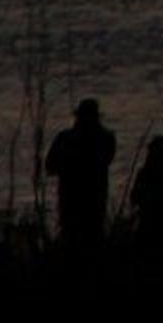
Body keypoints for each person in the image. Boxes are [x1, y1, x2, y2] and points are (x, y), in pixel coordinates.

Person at [44, 99, 118, 252]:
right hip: (93, 197)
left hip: (73, 197)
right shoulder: (107, 138)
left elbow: (50, 167)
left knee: (73, 237)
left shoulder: (65, 138)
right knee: (92, 237)